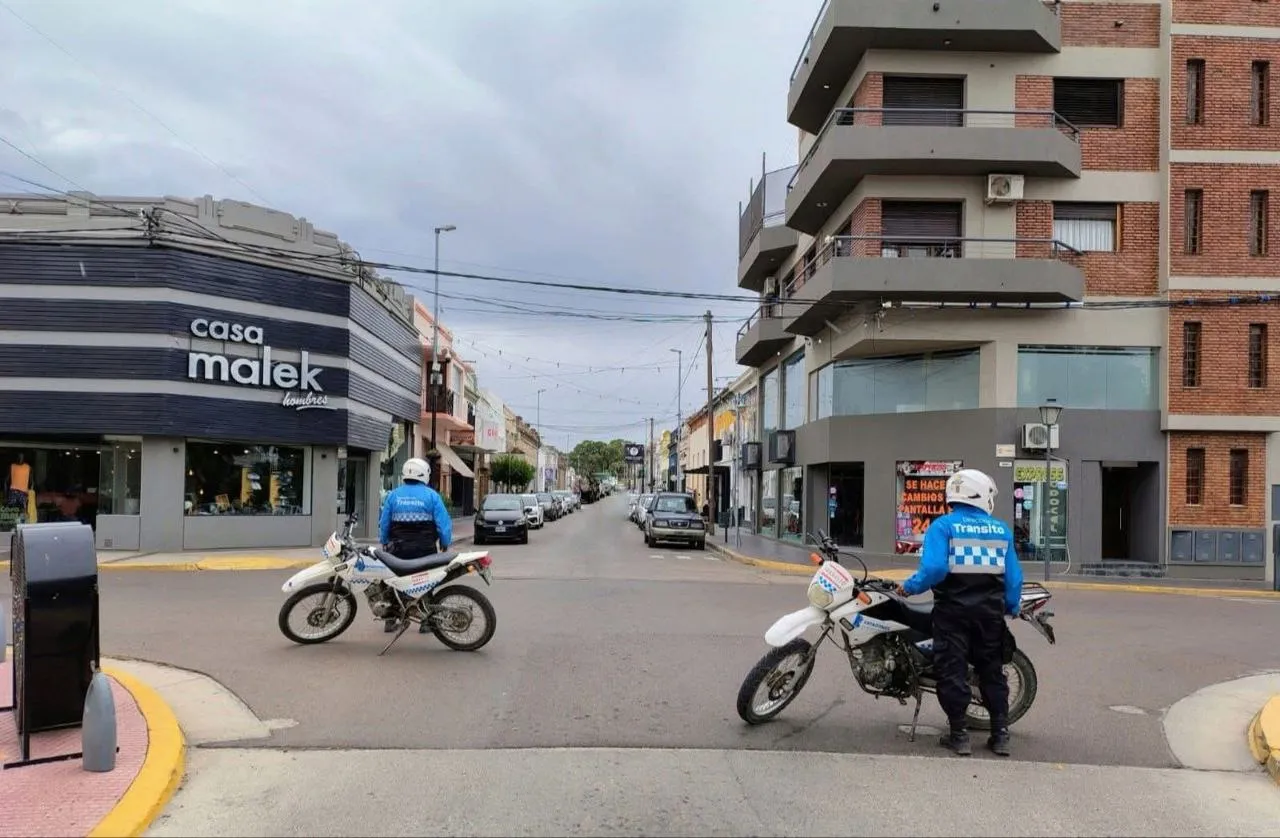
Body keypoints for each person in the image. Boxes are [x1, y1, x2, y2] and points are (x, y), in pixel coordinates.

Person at [894, 468, 1023, 758]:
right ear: (983, 495)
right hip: (990, 615)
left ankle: (959, 736)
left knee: (952, 672)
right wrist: (1012, 606)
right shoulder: (1001, 529)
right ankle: (1000, 735)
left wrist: (910, 587)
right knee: (992, 672)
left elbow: (935, 569)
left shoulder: (944, 527)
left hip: (952, 614)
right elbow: (1014, 580)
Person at [378, 457, 453, 633]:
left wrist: (384, 542)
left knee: (391, 581)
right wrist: (444, 543)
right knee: (426, 583)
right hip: (425, 549)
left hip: (398, 549)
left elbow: (384, 523)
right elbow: (443, 524)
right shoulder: (432, 496)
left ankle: (390, 619)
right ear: (424, 474)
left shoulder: (393, 495)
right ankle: (426, 621)